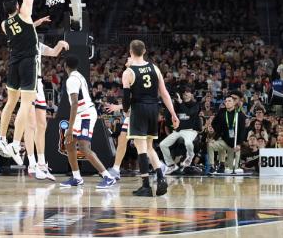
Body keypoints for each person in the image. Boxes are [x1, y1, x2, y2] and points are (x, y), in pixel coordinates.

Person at [105, 39, 179, 197]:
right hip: (154, 109)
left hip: (138, 109)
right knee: (150, 146)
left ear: (130, 52)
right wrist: (173, 113)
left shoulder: (128, 72)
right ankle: (160, 177)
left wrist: (125, 111)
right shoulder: (155, 68)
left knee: (141, 148)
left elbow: (126, 98)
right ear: (144, 51)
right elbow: (165, 93)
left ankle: (146, 185)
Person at [0, 0, 42, 167]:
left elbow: (23, 31)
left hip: (12, 61)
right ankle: (15, 143)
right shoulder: (24, 13)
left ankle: (2, 138)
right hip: (27, 61)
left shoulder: (4, 24)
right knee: (25, 103)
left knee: (10, 102)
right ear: (17, 7)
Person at [59, 55, 117, 189]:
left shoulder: (72, 79)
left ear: (65, 66)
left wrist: (70, 127)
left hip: (84, 114)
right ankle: (77, 177)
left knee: (84, 147)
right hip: (81, 113)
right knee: (69, 144)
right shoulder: (79, 76)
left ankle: (108, 177)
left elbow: (74, 104)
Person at [25, 32, 67, 181]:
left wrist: (60, 45)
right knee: (31, 125)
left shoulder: (37, 44)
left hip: (38, 84)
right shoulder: (20, 42)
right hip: (26, 83)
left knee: (42, 125)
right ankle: (31, 164)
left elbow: (54, 52)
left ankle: (42, 164)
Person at [160, 89, 201, 173]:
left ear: (192, 94)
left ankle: (190, 156)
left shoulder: (196, 104)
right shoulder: (178, 105)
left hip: (190, 131)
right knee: (163, 144)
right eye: (184, 92)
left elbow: (189, 112)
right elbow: (167, 116)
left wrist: (180, 102)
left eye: (188, 92)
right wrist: (171, 103)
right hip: (178, 131)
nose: (185, 93)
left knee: (188, 143)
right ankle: (171, 165)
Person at [207, 94, 247, 175]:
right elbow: (214, 123)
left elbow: (243, 131)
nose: (227, 103)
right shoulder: (222, 113)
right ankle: (212, 166)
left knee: (233, 169)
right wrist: (219, 133)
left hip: (235, 145)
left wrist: (239, 144)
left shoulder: (240, 115)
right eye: (226, 101)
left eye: (229, 101)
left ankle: (229, 166)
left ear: (234, 103)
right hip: (224, 141)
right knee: (210, 145)